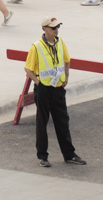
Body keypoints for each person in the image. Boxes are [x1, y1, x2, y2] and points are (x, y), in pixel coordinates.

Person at [25, 16, 84, 169]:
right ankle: (42, 156)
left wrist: (67, 76)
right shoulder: (36, 46)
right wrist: (38, 83)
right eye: (53, 28)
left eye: (58, 27)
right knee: (42, 122)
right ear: (44, 29)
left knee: (62, 121)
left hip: (58, 87)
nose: (56, 30)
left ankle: (69, 154)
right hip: (44, 88)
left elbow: (67, 59)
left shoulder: (59, 42)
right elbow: (28, 68)